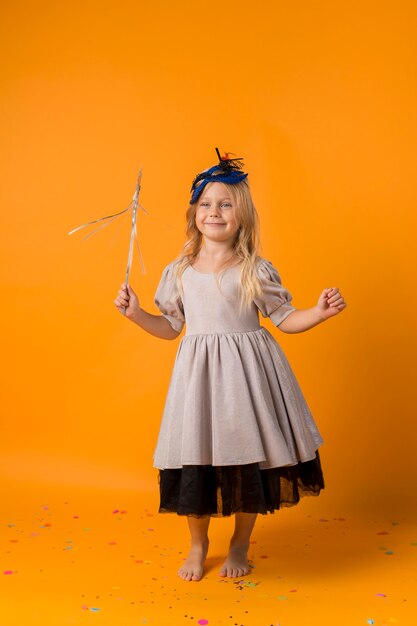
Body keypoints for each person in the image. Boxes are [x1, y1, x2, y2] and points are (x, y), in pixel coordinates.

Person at [114, 149, 347, 583]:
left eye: (225, 204)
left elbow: (285, 318)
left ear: (242, 215)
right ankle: (198, 544)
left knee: (248, 463)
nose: (214, 212)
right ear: (194, 213)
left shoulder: (255, 269)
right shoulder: (179, 271)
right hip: (199, 383)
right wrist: (136, 314)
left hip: (248, 382)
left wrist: (319, 312)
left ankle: (240, 542)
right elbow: (170, 329)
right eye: (206, 204)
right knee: (196, 459)